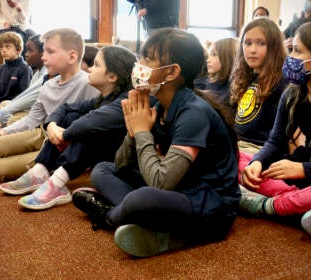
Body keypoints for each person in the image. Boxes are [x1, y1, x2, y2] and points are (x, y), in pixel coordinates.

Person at [72, 28, 240, 258]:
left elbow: (161, 183)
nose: (138, 64)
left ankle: (109, 216)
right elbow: (121, 165)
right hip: (179, 188)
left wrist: (143, 133)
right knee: (103, 170)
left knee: (143, 198)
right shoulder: (159, 103)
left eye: (147, 58)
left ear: (171, 72)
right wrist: (133, 133)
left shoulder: (193, 113)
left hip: (212, 207)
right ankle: (147, 220)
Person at [0, 45, 137, 210]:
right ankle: (40, 171)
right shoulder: (103, 97)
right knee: (71, 116)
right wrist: (52, 126)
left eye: (97, 65)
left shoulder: (126, 101)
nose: (90, 68)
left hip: (120, 164)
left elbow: (89, 122)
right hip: (77, 145)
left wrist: (64, 136)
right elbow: (66, 108)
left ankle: (57, 183)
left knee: (90, 130)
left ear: (113, 77)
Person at [0, 28, 99, 181]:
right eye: (44, 52)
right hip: (42, 134)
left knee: (0, 168)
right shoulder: (48, 85)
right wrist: (4, 132)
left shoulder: (88, 84)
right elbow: (32, 118)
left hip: (62, 144)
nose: (43, 57)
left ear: (72, 56)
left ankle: (55, 166)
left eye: (50, 52)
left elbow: (91, 127)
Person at [238, 19, 311, 241]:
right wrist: (256, 162)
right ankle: (305, 209)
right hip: (303, 169)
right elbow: (276, 141)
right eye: (291, 49)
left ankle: (268, 206)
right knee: (234, 158)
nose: (290, 57)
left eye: (298, 51)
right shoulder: (292, 93)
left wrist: (303, 169)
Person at [229, 18, 289, 155]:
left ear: (274, 47)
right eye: (247, 43)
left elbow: (279, 138)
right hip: (237, 144)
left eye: (261, 43)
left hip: (260, 150)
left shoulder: (283, 82)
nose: (252, 50)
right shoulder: (243, 78)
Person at [0, 34, 49, 127]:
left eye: (30, 51)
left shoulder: (30, 70)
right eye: (1, 48)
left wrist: (2, 112)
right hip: (29, 110)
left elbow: (28, 97)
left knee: (7, 117)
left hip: (39, 118)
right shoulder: (37, 73)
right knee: (4, 105)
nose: (26, 54)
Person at [194, 37, 238, 109]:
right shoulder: (213, 81)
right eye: (209, 55)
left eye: (214, 55)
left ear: (228, 57)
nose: (208, 60)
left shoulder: (234, 88)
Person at [0, 31, 33, 103]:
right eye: (1, 47)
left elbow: (23, 94)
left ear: (18, 49)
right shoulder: (1, 68)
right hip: (0, 105)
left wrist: (7, 106)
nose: (3, 50)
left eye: (8, 46)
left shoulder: (25, 68)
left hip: (15, 106)